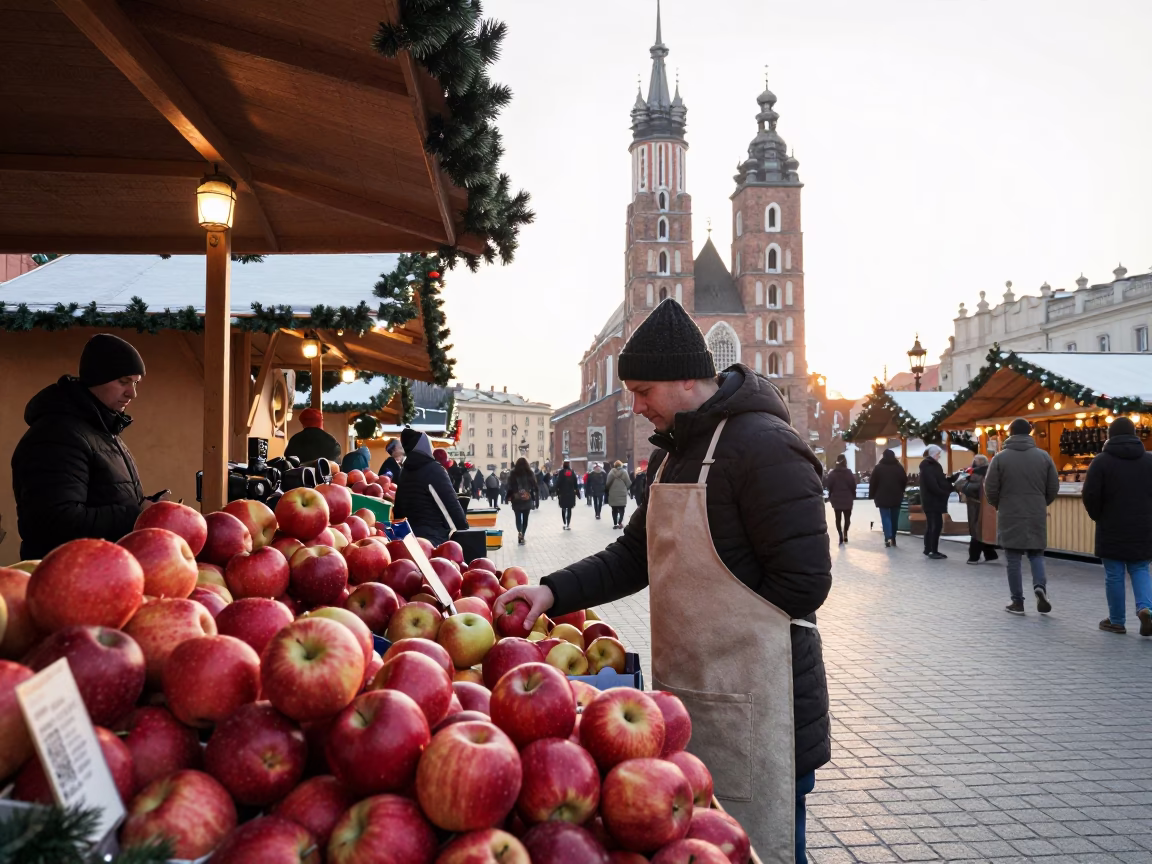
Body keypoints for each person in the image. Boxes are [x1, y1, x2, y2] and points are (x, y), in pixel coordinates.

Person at [501, 299, 831, 862]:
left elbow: (804, 582)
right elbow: (637, 555)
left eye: (643, 390)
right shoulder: (674, 453)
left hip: (762, 698)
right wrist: (553, 591)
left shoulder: (765, 446)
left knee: (765, 845)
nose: (635, 405)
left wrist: (716, 626)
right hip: (692, 696)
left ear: (685, 379)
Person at [12, 333, 156, 559]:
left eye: (135, 383)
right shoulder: (57, 436)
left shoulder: (101, 430)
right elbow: (55, 520)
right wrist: (137, 515)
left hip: (99, 571)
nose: (132, 393)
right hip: (66, 579)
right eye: (123, 381)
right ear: (97, 378)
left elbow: (105, 497)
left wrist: (147, 506)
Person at [1081, 417, 1152, 636]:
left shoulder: (1101, 461)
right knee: (1140, 568)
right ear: (1134, 434)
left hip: (1111, 525)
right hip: (1144, 526)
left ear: (1110, 435)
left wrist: (1098, 515)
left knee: (1114, 573)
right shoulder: (1149, 461)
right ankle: (1146, 608)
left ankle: (1117, 620)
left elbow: (1090, 494)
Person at [985, 417, 1059, 616]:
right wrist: (1041, 503)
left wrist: (1000, 504)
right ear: (1029, 433)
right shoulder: (1044, 457)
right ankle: (1040, 587)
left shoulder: (1000, 458)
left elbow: (990, 487)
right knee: (1036, 554)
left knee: (1013, 558)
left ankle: (1017, 602)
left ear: (1010, 433)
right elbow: (1053, 487)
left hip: (1010, 513)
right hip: (1035, 512)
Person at [391, 429, 469, 546]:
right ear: (425, 446)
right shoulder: (434, 469)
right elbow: (450, 503)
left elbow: (398, 510)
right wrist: (464, 529)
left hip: (410, 540)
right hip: (434, 540)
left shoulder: (404, 472)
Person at [957, 454, 998, 564]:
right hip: (989, 505)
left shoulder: (971, 472)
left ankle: (973, 557)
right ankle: (990, 553)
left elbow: (959, 483)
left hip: (975, 505)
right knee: (985, 529)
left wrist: (966, 486)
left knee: (976, 530)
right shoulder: (992, 472)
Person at [919, 444, 956, 559]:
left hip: (933, 501)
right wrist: (944, 492)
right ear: (933, 454)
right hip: (932, 501)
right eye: (938, 454)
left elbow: (941, 481)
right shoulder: (929, 467)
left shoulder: (932, 466)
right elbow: (933, 485)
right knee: (934, 526)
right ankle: (931, 550)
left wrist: (953, 479)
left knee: (935, 525)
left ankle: (930, 549)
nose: (939, 457)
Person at [868, 448, 907, 548]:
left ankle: (888, 537)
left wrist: (872, 495)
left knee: (885, 517)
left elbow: (873, 483)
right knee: (895, 518)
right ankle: (893, 537)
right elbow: (904, 481)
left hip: (882, 497)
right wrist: (901, 491)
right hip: (896, 496)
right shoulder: (899, 468)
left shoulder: (878, 468)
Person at [824, 455, 857, 545]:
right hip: (847, 498)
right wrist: (853, 494)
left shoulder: (832, 473)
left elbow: (829, 485)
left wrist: (831, 495)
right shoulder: (849, 473)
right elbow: (853, 485)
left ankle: (840, 535)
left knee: (838, 518)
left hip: (836, 498)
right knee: (847, 518)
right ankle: (845, 532)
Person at [505, 458, 538, 545]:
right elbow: (534, 485)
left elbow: (509, 486)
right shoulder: (530, 473)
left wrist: (508, 496)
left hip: (516, 498)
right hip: (527, 498)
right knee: (525, 518)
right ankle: (523, 534)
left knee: (518, 517)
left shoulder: (513, 473)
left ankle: (519, 531)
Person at [553, 461, 580, 530]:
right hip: (571, 493)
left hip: (563, 493)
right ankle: (568, 523)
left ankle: (564, 522)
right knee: (569, 508)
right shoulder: (572, 472)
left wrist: (554, 490)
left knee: (563, 508)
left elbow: (558, 482)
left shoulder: (561, 473)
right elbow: (575, 483)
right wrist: (577, 492)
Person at [605, 459, 631, 529]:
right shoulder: (624, 472)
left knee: (614, 509)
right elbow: (628, 483)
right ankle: (620, 522)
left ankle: (615, 523)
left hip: (613, 494)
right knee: (622, 509)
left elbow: (607, 484)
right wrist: (626, 489)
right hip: (622, 493)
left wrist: (608, 489)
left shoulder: (611, 472)